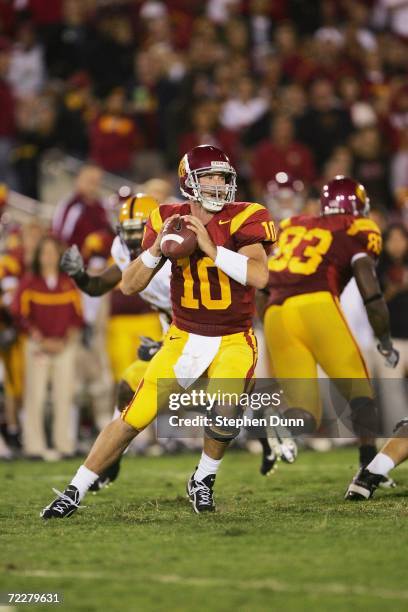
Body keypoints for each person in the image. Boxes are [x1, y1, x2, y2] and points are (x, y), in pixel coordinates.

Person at [40, 144, 275, 518]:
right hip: (183, 337)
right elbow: (131, 285)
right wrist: (155, 251)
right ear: (188, 182)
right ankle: (75, 489)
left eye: (222, 178)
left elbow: (261, 276)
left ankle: (203, 478)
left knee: (225, 409)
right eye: (209, 177)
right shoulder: (166, 217)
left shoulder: (247, 215)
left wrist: (210, 248)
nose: (218, 185)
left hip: (233, 336)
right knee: (134, 416)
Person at [258, 176, 399, 477]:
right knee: (361, 394)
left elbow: (263, 287)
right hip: (316, 304)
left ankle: (277, 423)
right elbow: (370, 292)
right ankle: (368, 468)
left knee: (306, 414)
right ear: (358, 206)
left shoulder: (295, 224)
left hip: (275, 312)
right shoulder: (358, 228)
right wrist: (384, 339)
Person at [59, 192, 171, 487]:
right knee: (127, 388)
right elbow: (98, 286)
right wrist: (79, 276)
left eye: (139, 230)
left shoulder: (177, 254)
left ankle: (266, 439)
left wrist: (167, 344)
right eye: (127, 231)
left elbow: (198, 307)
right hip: (176, 336)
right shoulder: (123, 250)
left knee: (226, 396)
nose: (133, 239)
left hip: (201, 334)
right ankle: (111, 461)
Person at [12, 235, 83, 459]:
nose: (49, 257)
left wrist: (64, 341)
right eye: (45, 253)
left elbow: (77, 316)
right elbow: (19, 314)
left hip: (64, 346)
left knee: (65, 396)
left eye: (53, 253)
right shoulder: (29, 282)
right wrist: (40, 339)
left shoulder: (68, 283)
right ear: (38, 257)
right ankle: (34, 446)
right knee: (36, 396)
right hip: (37, 346)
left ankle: (64, 444)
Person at [52, 164, 110, 252]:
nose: (93, 186)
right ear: (78, 180)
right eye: (90, 181)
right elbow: (60, 239)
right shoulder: (70, 206)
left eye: (97, 181)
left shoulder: (103, 206)